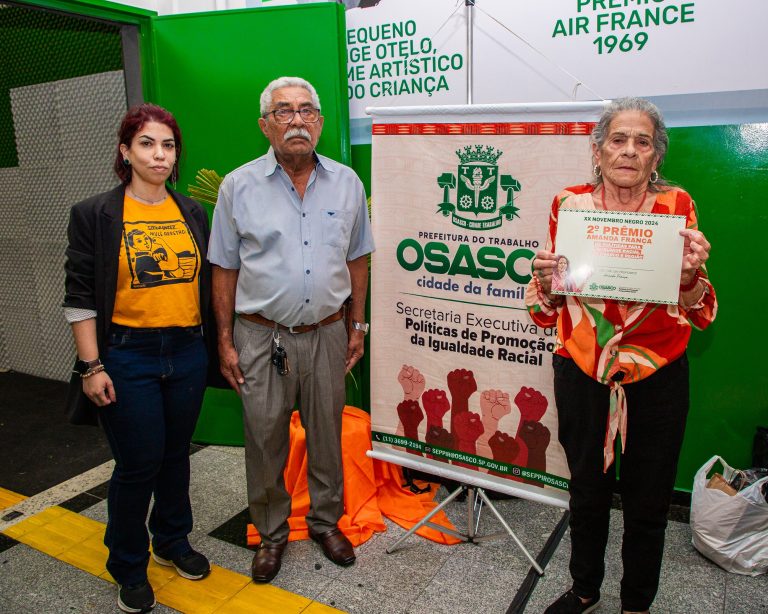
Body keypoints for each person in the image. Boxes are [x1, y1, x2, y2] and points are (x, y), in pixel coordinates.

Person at [526, 98, 717, 614]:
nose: (629, 150)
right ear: (598, 151)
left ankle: (636, 604)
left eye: (643, 141)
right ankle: (584, 589)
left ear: (656, 156)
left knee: (648, 502)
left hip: (658, 379)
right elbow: (547, 309)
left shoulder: (677, 206)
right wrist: (547, 280)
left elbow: (699, 309)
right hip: (583, 374)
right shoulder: (569, 205)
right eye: (618, 139)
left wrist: (688, 276)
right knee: (586, 494)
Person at [208, 76, 374, 584]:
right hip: (261, 337)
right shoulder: (237, 187)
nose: (297, 120)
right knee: (264, 439)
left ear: (320, 123)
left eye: (306, 111)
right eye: (283, 111)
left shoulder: (347, 183)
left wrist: (357, 324)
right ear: (265, 125)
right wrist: (224, 340)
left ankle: (325, 522)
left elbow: (358, 258)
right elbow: (224, 268)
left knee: (326, 432)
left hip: (328, 332)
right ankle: (271, 533)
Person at [63, 103, 212, 614]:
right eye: (147, 143)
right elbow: (80, 295)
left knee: (176, 454)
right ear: (125, 151)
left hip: (187, 350)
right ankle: (128, 564)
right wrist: (92, 366)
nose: (159, 154)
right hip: (127, 356)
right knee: (138, 462)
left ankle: (172, 540)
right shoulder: (95, 214)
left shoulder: (192, 212)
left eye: (168, 145)